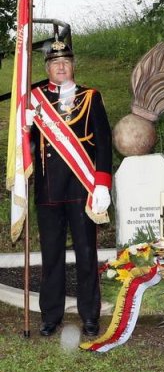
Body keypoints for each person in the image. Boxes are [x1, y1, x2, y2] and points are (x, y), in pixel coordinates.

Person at [29, 40, 112, 337]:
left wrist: (102, 183)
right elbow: (27, 149)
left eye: (65, 62)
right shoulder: (35, 101)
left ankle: (90, 315)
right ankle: (51, 314)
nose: (60, 67)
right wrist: (24, 127)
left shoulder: (90, 97)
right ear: (47, 68)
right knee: (51, 255)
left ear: (73, 65)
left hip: (81, 188)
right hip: (48, 189)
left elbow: (103, 143)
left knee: (86, 253)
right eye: (54, 63)